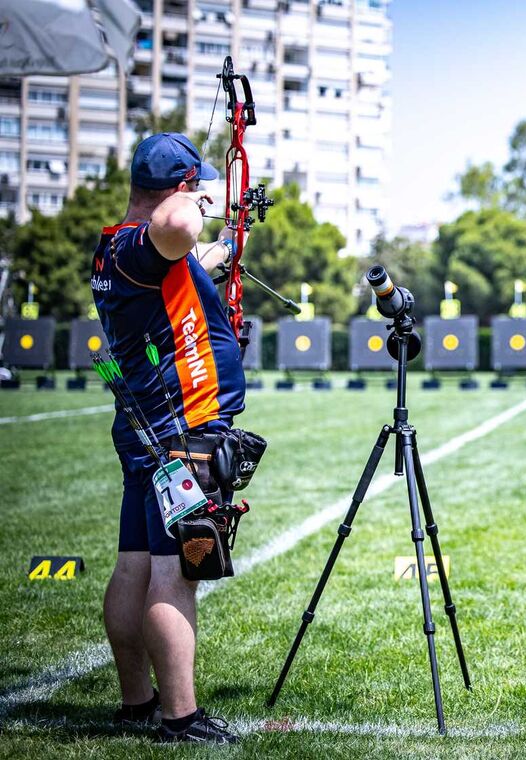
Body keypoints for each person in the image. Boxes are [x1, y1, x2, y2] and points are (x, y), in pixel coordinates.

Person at [91, 132, 244, 744]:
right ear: (178, 188)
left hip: (147, 432)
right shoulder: (145, 241)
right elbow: (177, 225)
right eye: (193, 187)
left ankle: (137, 702)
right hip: (178, 436)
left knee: (133, 565)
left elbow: (175, 263)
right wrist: (199, 204)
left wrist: (225, 249)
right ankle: (180, 718)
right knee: (172, 573)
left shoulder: (116, 249)